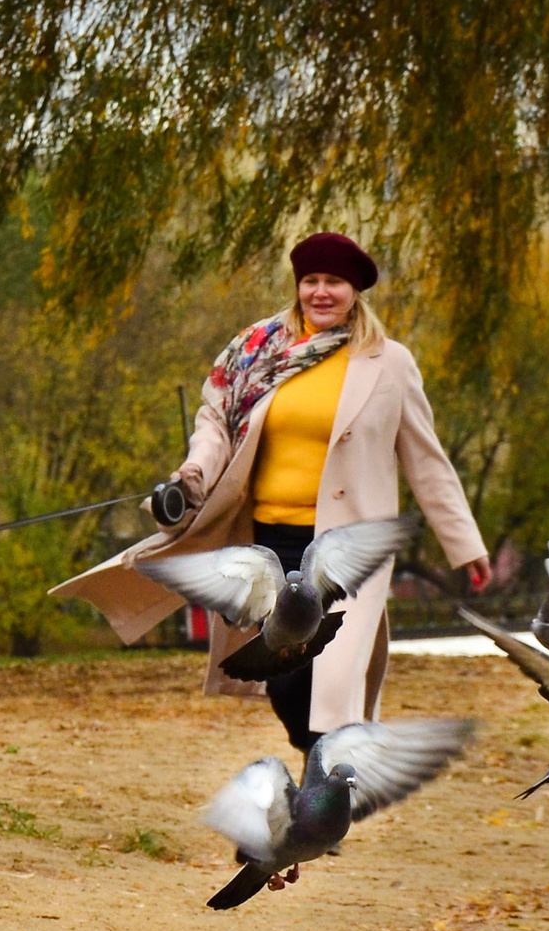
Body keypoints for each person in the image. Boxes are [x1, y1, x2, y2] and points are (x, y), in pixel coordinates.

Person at [54, 233, 489, 750]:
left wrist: (466, 546)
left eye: (334, 283)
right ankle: (321, 770)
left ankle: (322, 789)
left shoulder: (389, 363)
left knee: (326, 677)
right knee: (283, 677)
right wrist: (192, 474)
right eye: (311, 281)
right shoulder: (258, 351)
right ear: (298, 286)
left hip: (344, 552)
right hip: (268, 541)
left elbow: (427, 462)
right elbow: (217, 421)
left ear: (355, 292)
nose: (321, 292)